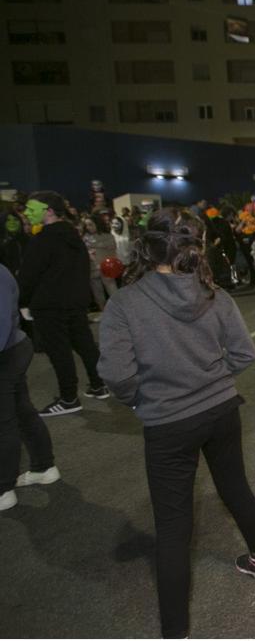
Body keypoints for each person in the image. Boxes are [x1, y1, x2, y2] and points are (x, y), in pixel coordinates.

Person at [97, 209, 255, 639]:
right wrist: (213, 379)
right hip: (220, 410)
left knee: (174, 526)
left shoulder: (125, 302)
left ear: (146, 247)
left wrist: (142, 400)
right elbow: (244, 354)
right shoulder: (213, 293)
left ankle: (175, 631)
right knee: (234, 486)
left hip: (167, 421)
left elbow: (117, 374)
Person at [18, 192, 109, 415]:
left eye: (32, 208)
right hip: (75, 303)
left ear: (48, 210)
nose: (26, 213)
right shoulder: (74, 236)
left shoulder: (42, 240)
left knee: (59, 352)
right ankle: (99, 385)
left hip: (49, 305)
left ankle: (69, 399)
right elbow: (83, 270)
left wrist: (22, 301)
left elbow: (29, 276)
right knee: (85, 345)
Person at [1, 264, 59, 512]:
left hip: (7, 352)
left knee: (5, 421)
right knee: (21, 411)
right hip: (11, 349)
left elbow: (2, 325)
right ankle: (44, 466)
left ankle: (3, 488)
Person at [82, 217, 119, 311]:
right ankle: (103, 311)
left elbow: (112, 248)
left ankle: (119, 310)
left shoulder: (107, 236)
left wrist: (94, 246)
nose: (88, 227)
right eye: (86, 225)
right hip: (93, 268)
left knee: (112, 289)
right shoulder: (85, 238)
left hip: (107, 267)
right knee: (97, 292)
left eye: (90, 224)